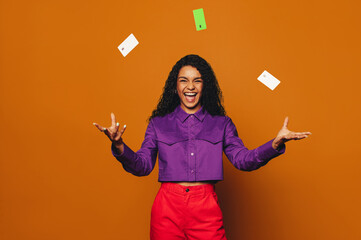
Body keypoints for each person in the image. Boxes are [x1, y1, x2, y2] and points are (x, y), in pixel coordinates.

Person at [93, 54, 311, 240]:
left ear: (204, 85)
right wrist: (119, 145)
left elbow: (244, 160)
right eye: (183, 80)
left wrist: (274, 144)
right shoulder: (158, 123)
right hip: (166, 208)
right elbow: (142, 166)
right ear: (175, 86)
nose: (190, 87)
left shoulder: (222, 123)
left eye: (197, 80)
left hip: (206, 208)